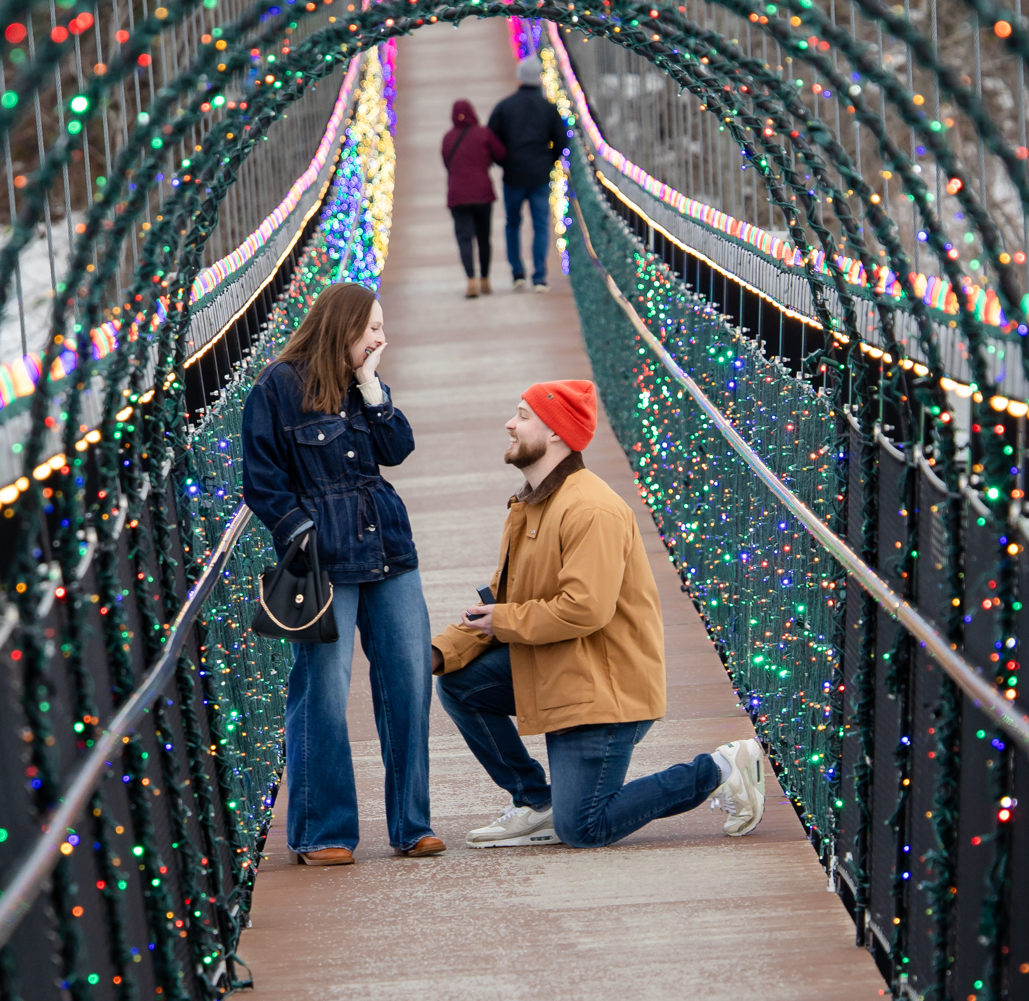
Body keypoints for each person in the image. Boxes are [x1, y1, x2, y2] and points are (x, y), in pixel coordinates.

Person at [433, 379, 766, 849]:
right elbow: (501, 599)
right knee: (457, 681)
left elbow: (583, 609)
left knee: (584, 828)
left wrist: (504, 622)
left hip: (605, 689)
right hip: (565, 668)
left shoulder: (591, 508)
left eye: (524, 415)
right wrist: (439, 651)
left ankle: (720, 769)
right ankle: (535, 802)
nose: (510, 423)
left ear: (556, 434)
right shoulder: (529, 505)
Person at [240, 283, 444, 866]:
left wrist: (374, 389)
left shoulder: (365, 387)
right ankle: (323, 832)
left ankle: (412, 824)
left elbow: (397, 447)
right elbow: (262, 482)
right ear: (344, 326)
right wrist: (300, 533)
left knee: (409, 679)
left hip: (388, 547)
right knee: (324, 692)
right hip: (323, 558)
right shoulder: (277, 387)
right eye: (373, 329)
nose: (381, 339)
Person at [487, 55, 567, 291]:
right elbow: (562, 141)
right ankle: (540, 277)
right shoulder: (549, 108)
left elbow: (491, 140)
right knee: (541, 224)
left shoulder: (504, 106)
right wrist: (550, 162)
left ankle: (517, 273)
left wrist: (503, 161)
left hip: (513, 175)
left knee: (513, 223)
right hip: (540, 175)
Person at [442, 100, 505, 298]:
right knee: (484, 237)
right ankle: (485, 280)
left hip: (458, 195)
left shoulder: (447, 138)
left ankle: (471, 279)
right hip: (482, 194)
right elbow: (501, 154)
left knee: (464, 239)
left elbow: (447, 162)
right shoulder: (483, 133)